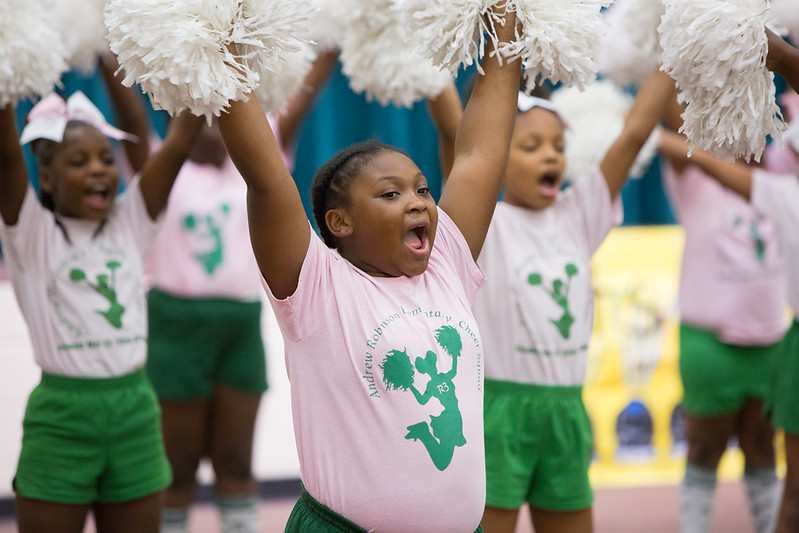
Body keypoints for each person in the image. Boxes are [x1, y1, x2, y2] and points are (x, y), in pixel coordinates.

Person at [199, 5, 522, 530]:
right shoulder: (316, 286)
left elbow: (481, 154)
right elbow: (266, 178)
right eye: (391, 194)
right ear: (340, 221)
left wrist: (507, 27)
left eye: (422, 189)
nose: (419, 202)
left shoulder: (446, 265)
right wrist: (220, 42)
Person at [471, 70, 677, 533]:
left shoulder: (579, 215)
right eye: (531, 146)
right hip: (497, 415)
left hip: (566, 413)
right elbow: (460, 138)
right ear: (495, 157)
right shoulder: (483, 223)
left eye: (558, 147)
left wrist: (677, 49)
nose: (550, 155)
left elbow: (635, 133)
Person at [142, 51, 337, 533]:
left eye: (221, 119)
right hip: (174, 324)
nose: (212, 128)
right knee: (177, 468)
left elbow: (301, 103)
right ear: (179, 119)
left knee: (235, 461)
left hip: (239, 324)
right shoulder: (161, 164)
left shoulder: (255, 166)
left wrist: (332, 43)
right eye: (199, 118)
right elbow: (131, 100)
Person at [0, 86, 202, 532]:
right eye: (78, 162)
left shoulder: (134, 220)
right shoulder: (30, 233)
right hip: (60, 418)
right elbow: (6, 156)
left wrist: (213, 57)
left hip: (136, 414)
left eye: (106, 159)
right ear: (47, 178)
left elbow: (179, 140)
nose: (98, 169)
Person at [656, 31, 799, 533]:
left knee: (764, 449)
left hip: (771, 340)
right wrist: (684, 47)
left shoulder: (782, 170)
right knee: (705, 446)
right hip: (709, 341)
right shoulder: (694, 173)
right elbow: (670, 127)